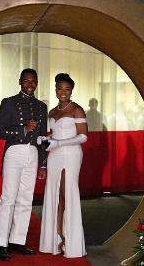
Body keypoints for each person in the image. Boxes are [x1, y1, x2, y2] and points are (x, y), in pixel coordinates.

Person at [0, 68, 48, 261]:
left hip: (33, 152)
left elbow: (42, 138)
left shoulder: (41, 107)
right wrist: (23, 129)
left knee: (26, 198)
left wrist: (43, 164)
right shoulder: (8, 103)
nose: (30, 85)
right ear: (20, 82)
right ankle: (0, 243)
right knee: (8, 198)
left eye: (33, 81)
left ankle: (17, 240)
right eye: (26, 81)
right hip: (14, 151)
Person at [39, 73, 88, 258]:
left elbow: (83, 136)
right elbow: (54, 134)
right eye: (60, 88)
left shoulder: (77, 109)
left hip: (71, 154)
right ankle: (57, 236)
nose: (63, 92)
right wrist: (46, 138)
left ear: (71, 91)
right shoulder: (52, 112)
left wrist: (59, 143)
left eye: (67, 89)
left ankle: (71, 240)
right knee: (55, 195)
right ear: (55, 89)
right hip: (54, 156)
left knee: (67, 193)